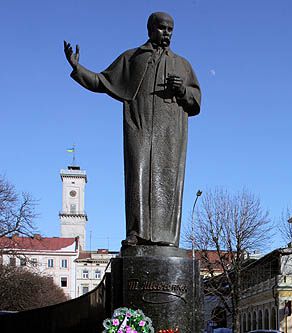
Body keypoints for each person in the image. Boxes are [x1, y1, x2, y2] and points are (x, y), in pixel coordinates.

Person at [64, 12, 201, 247]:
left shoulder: (183, 64)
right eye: (162, 28)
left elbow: (196, 101)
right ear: (150, 30)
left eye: (170, 29)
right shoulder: (133, 58)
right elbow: (102, 82)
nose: (166, 33)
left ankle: (166, 237)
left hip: (169, 134)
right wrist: (78, 69)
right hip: (139, 126)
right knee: (137, 175)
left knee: (166, 181)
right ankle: (136, 233)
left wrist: (182, 91)